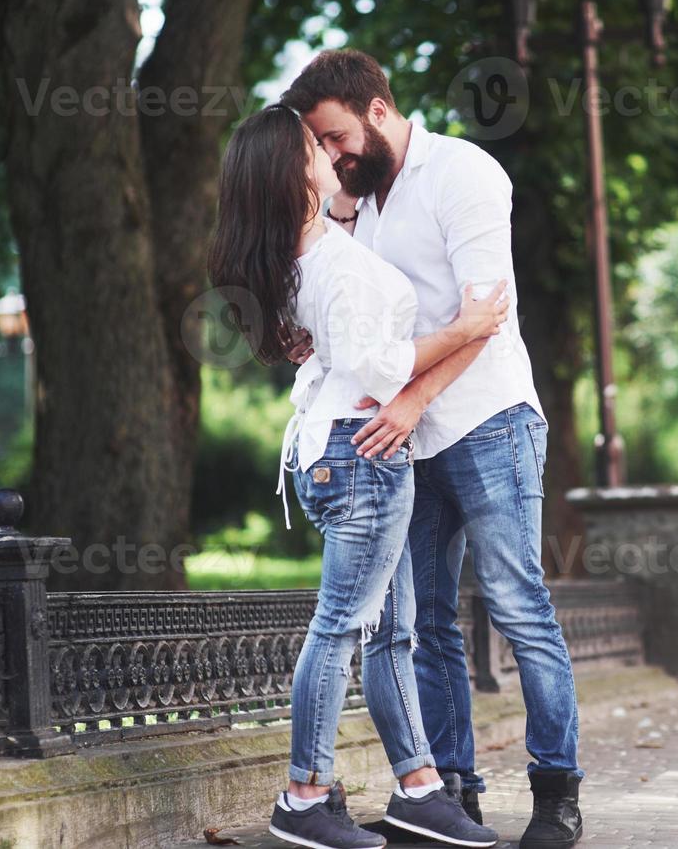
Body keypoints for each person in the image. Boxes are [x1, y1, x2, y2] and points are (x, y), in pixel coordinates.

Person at [283, 50, 585, 849]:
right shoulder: (360, 201)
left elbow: (487, 314)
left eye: (338, 135)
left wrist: (410, 401)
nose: (336, 154)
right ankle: (450, 794)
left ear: (376, 110)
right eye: (324, 144)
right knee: (426, 627)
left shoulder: (464, 173)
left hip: (487, 422)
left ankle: (556, 794)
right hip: (401, 443)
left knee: (520, 609)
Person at [208, 104, 506, 849]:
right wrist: (465, 330)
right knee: (343, 625)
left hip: (340, 452)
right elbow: (380, 367)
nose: (330, 154)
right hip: (362, 456)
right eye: (315, 147)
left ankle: (419, 788)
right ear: (293, 171)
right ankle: (305, 794)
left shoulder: (304, 252)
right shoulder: (334, 264)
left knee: (391, 631)